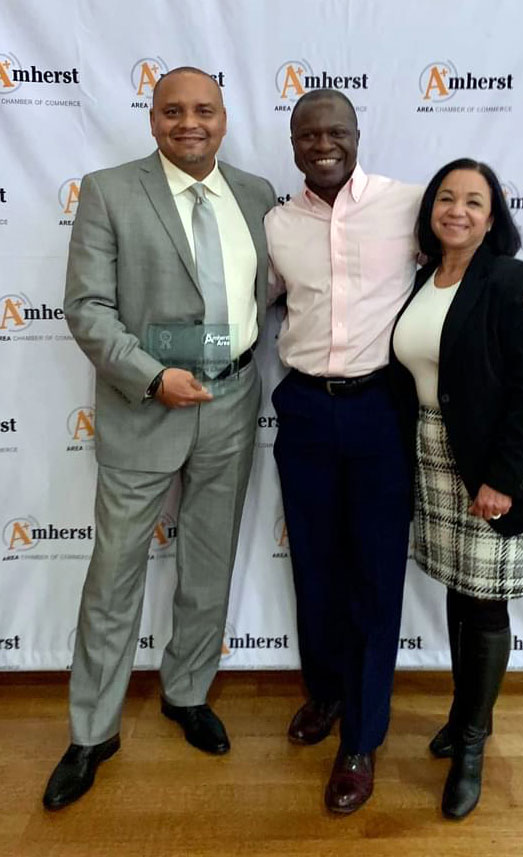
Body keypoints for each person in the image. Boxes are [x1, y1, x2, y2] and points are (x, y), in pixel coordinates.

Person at [265, 91, 523, 815]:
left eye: (336, 130)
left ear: (358, 136)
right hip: (302, 406)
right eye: (309, 133)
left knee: (371, 575)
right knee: (314, 566)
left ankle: (362, 740)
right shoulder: (274, 222)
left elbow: (485, 266)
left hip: (379, 412)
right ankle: (328, 694)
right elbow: (255, 298)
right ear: (294, 142)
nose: (323, 143)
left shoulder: (407, 205)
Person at [43, 67, 275, 810]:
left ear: (224, 118)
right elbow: (86, 307)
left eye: (203, 109)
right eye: (172, 111)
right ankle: (92, 731)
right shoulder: (110, 190)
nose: (189, 123)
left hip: (233, 398)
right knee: (114, 576)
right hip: (146, 403)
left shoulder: (256, 195)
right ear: (151, 120)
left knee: (207, 565)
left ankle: (186, 691)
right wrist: (152, 376)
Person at [391, 158, 523, 819]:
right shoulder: (422, 278)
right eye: (445, 197)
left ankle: (472, 740)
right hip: (432, 456)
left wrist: (502, 477)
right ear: (430, 210)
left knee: (485, 602)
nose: (456, 210)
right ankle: (461, 713)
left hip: (488, 462)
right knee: (457, 591)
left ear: (492, 217)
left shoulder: (513, 280)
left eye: (473, 200)